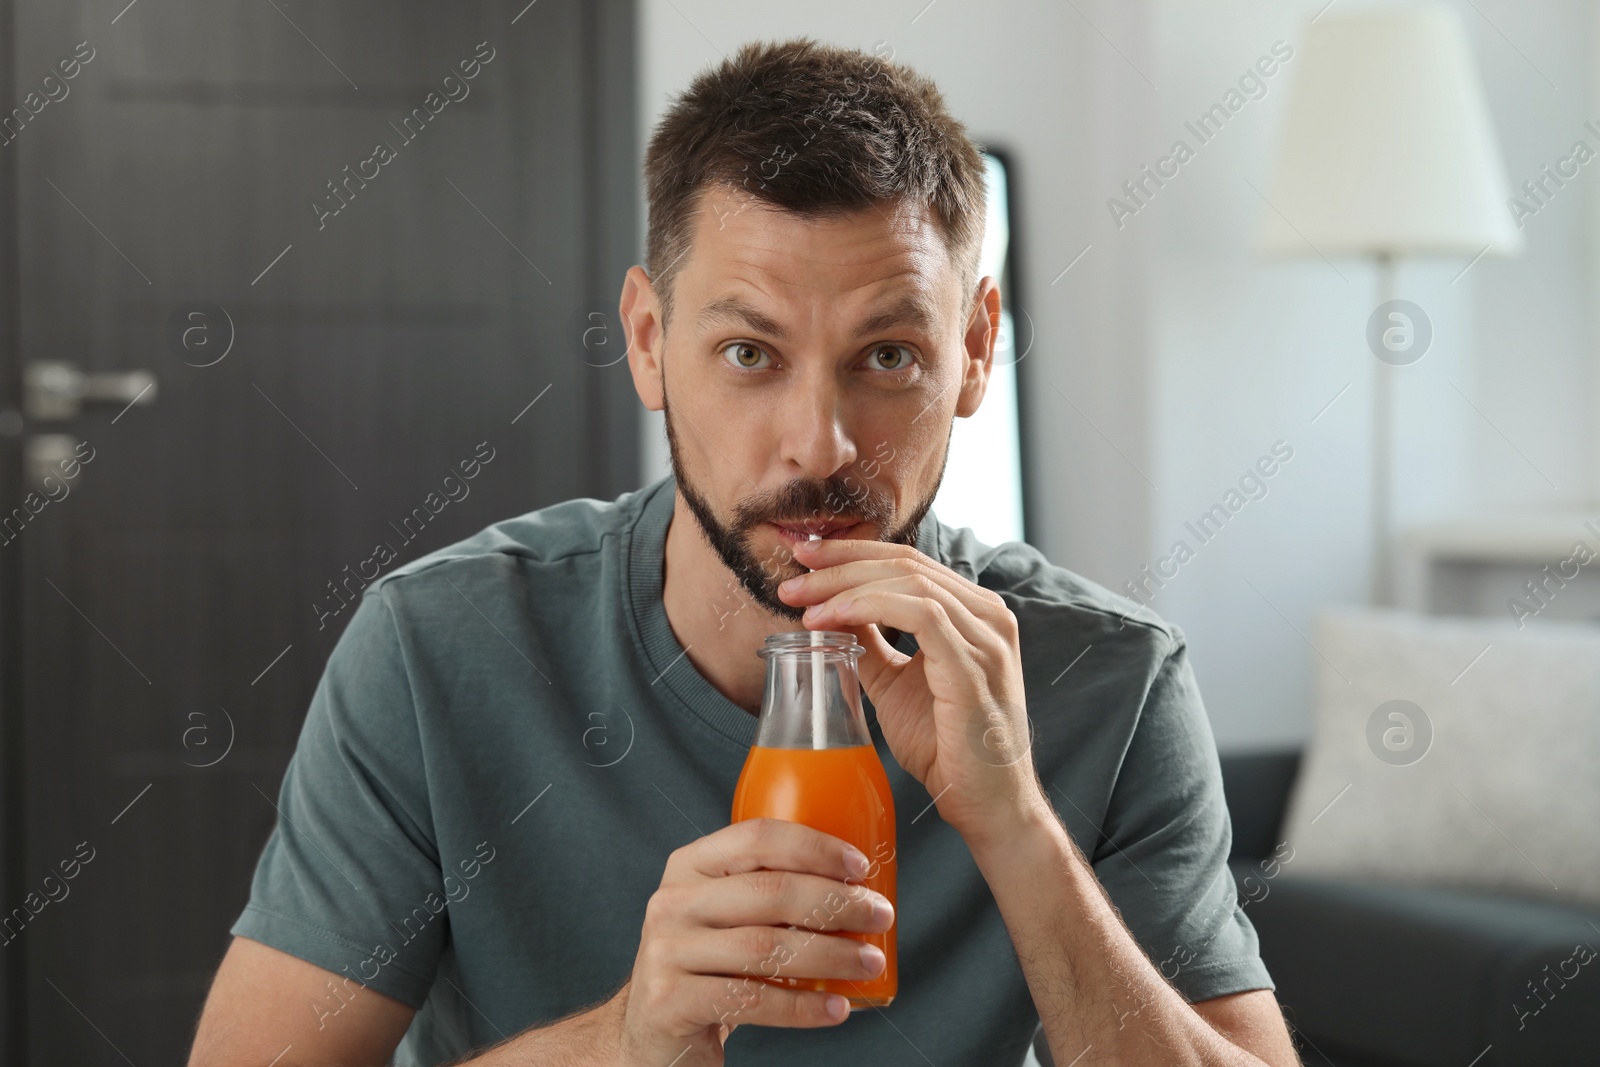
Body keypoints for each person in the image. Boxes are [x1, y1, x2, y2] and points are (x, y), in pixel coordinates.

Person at [188, 37, 1301, 1067]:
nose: (819, 442)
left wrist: (1013, 821)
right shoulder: (439, 648)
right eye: (747, 350)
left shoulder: (1110, 679)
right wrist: (630, 1034)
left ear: (973, 352)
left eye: (888, 355)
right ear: (647, 344)